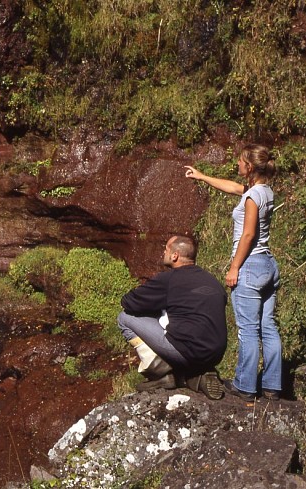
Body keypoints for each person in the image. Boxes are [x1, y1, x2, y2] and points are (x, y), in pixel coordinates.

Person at [185, 143, 281, 402]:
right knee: (268, 327)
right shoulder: (264, 191)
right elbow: (232, 187)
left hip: (250, 265)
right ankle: (272, 386)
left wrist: (234, 267)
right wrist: (202, 176)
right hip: (269, 265)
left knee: (248, 330)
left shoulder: (251, 197)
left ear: (249, 167)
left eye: (240, 161)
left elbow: (248, 234)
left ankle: (245, 386)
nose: (236, 164)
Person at [117, 235, 227, 400]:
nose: (164, 252)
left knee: (124, 318)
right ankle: (195, 375)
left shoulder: (170, 279)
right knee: (177, 321)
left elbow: (129, 303)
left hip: (188, 350)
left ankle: (161, 372)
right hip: (216, 353)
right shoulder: (212, 280)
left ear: (175, 255)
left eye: (166, 249)